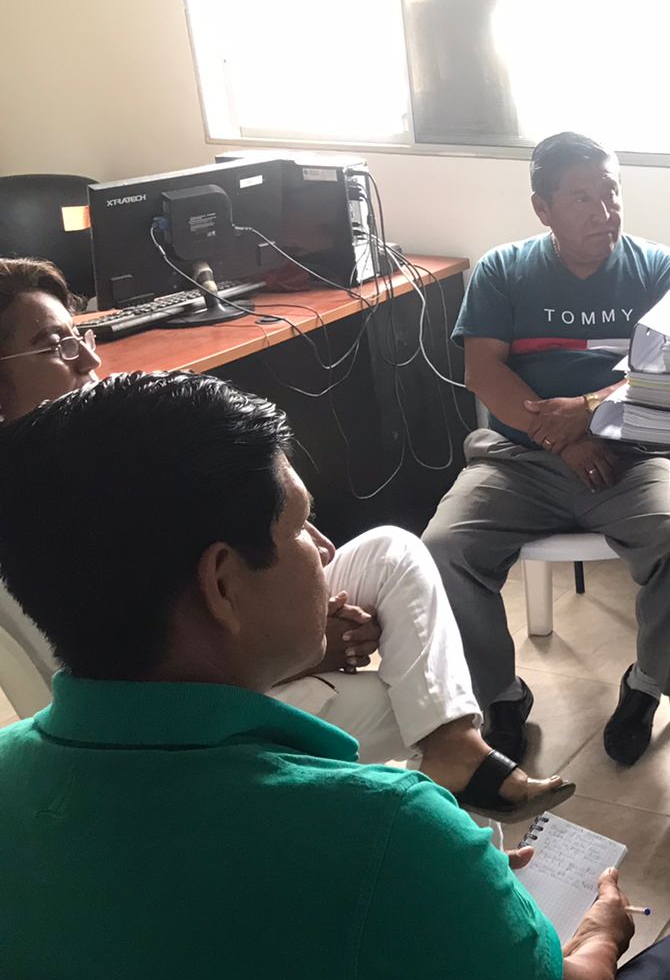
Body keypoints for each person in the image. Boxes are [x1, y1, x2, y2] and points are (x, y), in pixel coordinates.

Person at [0, 371, 670, 980]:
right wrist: (600, 935)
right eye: (302, 527)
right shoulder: (385, 831)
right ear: (223, 584)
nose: (325, 550)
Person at [0, 257, 566, 824]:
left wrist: (279, 541)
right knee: (422, 701)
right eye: (54, 346)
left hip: (236, 623)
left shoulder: (95, 455)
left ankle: (457, 758)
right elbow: (117, 678)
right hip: (190, 709)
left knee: (393, 553)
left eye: (81, 337)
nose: (90, 360)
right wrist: (311, 645)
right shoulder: (40, 515)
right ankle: (450, 815)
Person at [423, 133, 670, 767]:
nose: (604, 211)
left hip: (632, 455)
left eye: (611, 192)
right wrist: (563, 442)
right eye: (582, 198)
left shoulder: (658, 268)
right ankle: (502, 696)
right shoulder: (504, 270)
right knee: (445, 548)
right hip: (519, 459)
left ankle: (647, 685)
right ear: (543, 209)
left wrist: (589, 413)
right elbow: (483, 372)